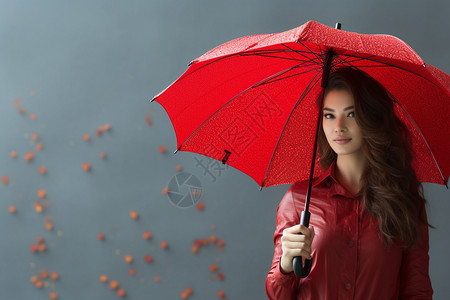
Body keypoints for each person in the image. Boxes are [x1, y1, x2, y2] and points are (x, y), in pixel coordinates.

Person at [265, 68, 433, 299]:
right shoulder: (298, 199)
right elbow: (277, 295)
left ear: (371, 117)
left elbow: (417, 290)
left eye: (351, 114)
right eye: (329, 115)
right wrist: (286, 265)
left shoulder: (405, 200)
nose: (339, 126)